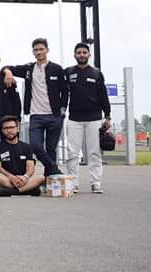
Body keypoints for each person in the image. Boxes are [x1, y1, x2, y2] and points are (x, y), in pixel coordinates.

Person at [2, 38, 69, 163]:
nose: (38, 52)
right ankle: (53, 169)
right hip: (36, 116)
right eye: (36, 50)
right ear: (33, 52)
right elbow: (6, 67)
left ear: (47, 50)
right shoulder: (29, 69)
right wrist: (8, 73)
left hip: (54, 116)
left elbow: (65, 91)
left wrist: (62, 110)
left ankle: (50, 177)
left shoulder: (57, 69)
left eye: (41, 49)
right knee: (36, 146)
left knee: (51, 149)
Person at [65, 42, 111, 193]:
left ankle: (95, 183)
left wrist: (107, 116)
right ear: (74, 55)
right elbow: (63, 93)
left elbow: (103, 96)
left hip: (94, 118)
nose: (82, 55)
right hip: (74, 118)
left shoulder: (96, 73)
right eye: (79, 52)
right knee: (72, 153)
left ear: (89, 55)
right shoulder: (69, 72)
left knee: (94, 152)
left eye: (84, 52)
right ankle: (73, 183)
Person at [0, 116, 45, 196]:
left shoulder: (27, 147)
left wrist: (25, 177)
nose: (9, 130)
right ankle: (28, 190)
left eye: (12, 127)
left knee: (41, 178)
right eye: (6, 128)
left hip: (23, 179)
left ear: (17, 129)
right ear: (2, 130)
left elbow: (30, 166)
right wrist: (11, 177)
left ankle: (12, 192)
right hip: (7, 178)